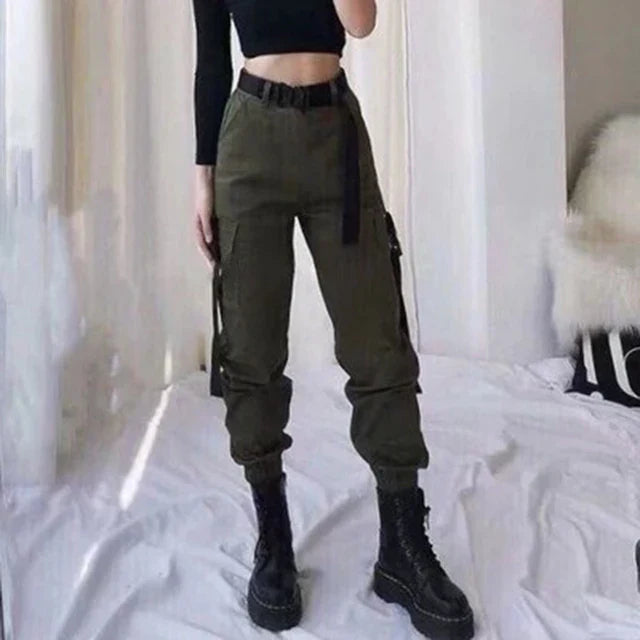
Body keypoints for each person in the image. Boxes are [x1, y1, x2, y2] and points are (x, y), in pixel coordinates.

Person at [191, 1, 474, 638]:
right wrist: (202, 179)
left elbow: (361, 22)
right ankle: (273, 537)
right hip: (250, 141)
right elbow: (211, 60)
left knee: (378, 341)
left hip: (334, 135)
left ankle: (402, 546)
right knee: (251, 349)